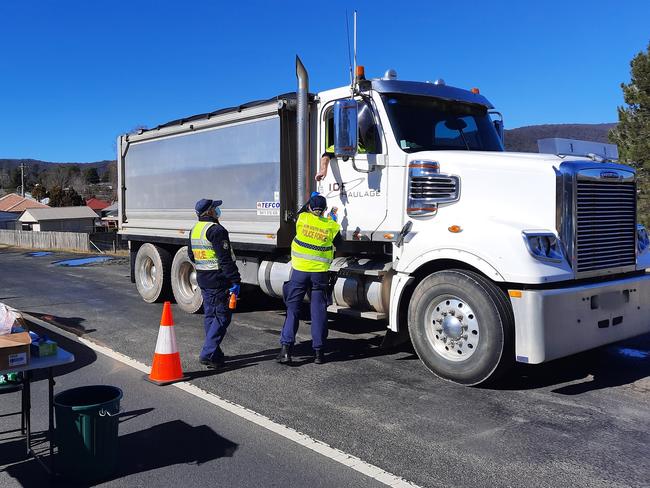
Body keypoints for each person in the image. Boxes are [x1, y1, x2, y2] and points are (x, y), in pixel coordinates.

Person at [277, 193, 341, 365]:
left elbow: (302, 209)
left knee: (293, 309)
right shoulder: (331, 226)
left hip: (299, 272)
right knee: (318, 311)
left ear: (310, 208)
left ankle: (286, 350)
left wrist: (311, 201)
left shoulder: (302, 218)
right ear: (325, 209)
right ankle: (319, 353)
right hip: (319, 274)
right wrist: (331, 218)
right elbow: (339, 243)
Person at [188, 199, 241, 369]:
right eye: (215, 208)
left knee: (211, 316)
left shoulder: (195, 229)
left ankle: (215, 354)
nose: (218, 210)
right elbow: (225, 259)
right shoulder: (216, 230)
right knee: (222, 316)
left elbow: (191, 255)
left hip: (203, 278)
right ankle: (208, 353)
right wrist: (235, 280)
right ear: (210, 212)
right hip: (218, 280)